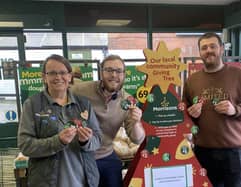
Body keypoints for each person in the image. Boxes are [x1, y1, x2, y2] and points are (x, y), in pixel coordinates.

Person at [183, 32, 241, 187]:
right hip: (202, 151)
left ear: (221, 49)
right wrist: (190, 114)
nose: (208, 51)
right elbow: (183, 112)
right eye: (204, 48)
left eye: (213, 46)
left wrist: (235, 110)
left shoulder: (240, 75)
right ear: (200, 52)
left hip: (233, 153)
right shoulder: (192, 80)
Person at [17, 54, 102, 187]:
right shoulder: (32, 105)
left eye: (62, 72)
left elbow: (97, 139)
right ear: (44, 77)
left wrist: (86, 141)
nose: (58, 77)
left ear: (69, 76)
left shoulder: (83, 104)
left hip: (84, 180)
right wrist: (58, 141)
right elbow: (25, 145)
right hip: (46, 182)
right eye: (52, 73)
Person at [71, 54, 145, 187]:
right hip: (79, 156)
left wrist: (137, 122)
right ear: (101, 72)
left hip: (106, 154)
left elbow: (137, 139)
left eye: (118, 71)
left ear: (124, 74)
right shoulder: (80, 90)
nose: (114, 75)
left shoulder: (127, 101)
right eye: (109, 70)